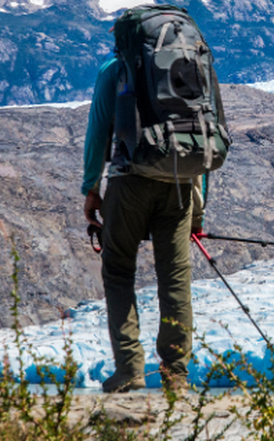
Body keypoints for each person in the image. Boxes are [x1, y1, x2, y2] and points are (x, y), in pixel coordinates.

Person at [81, 55, 203, 393]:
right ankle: (176, 374)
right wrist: (197, 212)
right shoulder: (187, 65)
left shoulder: (114, 68)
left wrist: (92, 188)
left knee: (119, 271)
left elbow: (98, 131)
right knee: (175, 278)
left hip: (128, 180)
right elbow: (199, 136)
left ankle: (130, 370)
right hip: (179, 184)